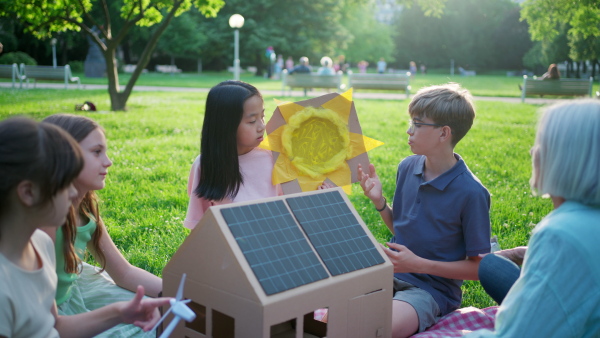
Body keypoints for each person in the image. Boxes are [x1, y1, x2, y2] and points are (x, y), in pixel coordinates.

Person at [0, 117, 170, 338]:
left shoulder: (39, 246)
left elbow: (55, 326)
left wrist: (119, 312)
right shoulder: (9, 281)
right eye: (63, 183)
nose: (72, 193)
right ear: (29, 193)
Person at [358, 83, 491, 338]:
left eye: (418, 124)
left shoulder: (472, 193)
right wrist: (380, 203)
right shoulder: (408, 167)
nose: (409, 131)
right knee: (336, 312)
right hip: (389, 272)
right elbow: (404, 229)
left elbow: (478, 269)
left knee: (375, 329)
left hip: (430, 290)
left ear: (443, 133)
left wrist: (419, 265)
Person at [466, 99, 600, 337]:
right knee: (491, 265)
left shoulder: (561, 233)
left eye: (541, 144)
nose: (532, 151)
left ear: (566, 159)